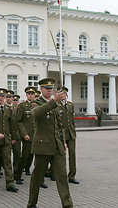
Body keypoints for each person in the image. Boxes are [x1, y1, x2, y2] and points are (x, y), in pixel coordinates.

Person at [27, 78, 73, 208]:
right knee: (37, 177)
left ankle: (67, 204)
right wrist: (53, 101)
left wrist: (63, 141)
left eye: (50, 88)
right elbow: (36, 114)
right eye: (46, 88)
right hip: (43, 146)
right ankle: (31, 204)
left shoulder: (57, 105)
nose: (49, 90)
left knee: (62, 176)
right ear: (41, 89)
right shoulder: (36, 102)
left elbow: (59, 125)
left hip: (57, 146)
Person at [59, 87, 79, 185]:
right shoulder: (57, 105)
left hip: (71, 133)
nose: (62, 95)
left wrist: (73, 130)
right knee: (60, 155)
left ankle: (72, 175)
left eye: (63, 93)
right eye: (60, 93)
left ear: (66, 94)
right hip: (61, 133)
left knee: (72, 154)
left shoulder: (70, 105)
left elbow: (71, 119)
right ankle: (54, 172)